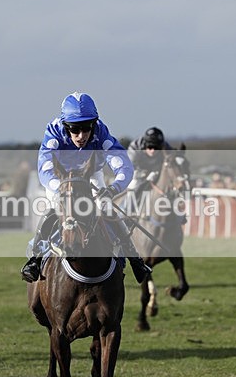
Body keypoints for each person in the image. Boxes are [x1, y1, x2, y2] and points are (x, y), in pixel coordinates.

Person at [20, 92, 152, 284]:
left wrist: (113, 188)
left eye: (86, 128)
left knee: (108, 209)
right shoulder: (54, 132)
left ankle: (135, 259)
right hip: (61, 178)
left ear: (94, 124)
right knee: (56, 208)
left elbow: (123, 165)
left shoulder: (101, 132)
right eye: (75, 129)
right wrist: (64, 188)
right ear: (66, 126)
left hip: (90, 175)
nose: (81, 136)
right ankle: (36, 259)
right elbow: (45, 170)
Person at [126, 127, 174, 194]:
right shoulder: (134, 150)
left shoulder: (166, 147)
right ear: (145, 144)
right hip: (137, 174)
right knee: (133, 184)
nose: (153, 150)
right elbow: (129, 170)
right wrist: (144, 174)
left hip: (156, 171)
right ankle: (126, 204)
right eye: (150, 147)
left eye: (156, 148)